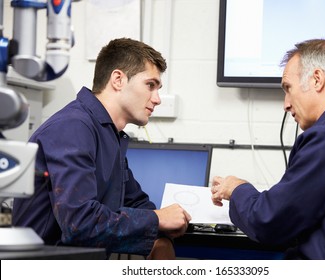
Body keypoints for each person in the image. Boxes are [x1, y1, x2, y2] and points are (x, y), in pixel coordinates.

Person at [12, 38, 191, 259]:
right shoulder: (73, 128)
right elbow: (80, 223)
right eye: (150, 85)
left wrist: (161, 237)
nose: (157, 99)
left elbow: (134, 201)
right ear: (118, 79)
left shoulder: (108, 133)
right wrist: (157, 220)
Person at [211, 39, 325, 259]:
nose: (285, 104)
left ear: (317, 80)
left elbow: (269, 221)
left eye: (288, 88)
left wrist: (237, 189)